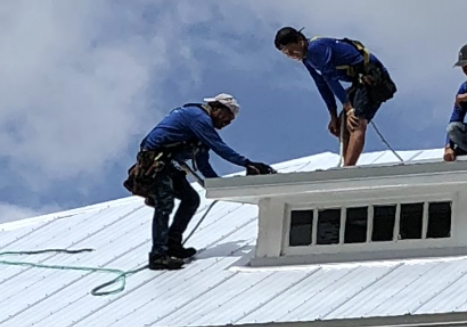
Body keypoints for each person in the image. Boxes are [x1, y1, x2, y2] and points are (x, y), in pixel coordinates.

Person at [125, 94, 274, 270]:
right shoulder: (198, 118)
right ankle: (158, 255)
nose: (226, 124)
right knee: (164, 204)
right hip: (156, 163)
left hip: (169, 165)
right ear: (217, 108)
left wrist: (220, 187)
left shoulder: (200, 132)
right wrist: (247, 163)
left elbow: (203, 164)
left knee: (191, 199)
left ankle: (172, 243)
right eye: (226, 118)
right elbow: (219, 146)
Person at [274, 27, 397, 167]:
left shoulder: (316, 49)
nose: (291, 55)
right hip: (358, 81)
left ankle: (348, 169)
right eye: (287, 54)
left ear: (300, 41)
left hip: (372, 76)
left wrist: (349, 108)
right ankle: (346, 166)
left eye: (291, 50)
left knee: (356, 122)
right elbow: (322, 85)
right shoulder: (307, 59)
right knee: (343, 125)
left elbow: (330, 78)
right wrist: (333, 116)